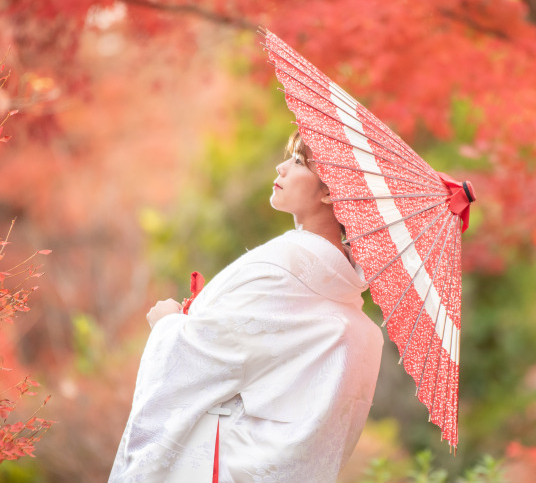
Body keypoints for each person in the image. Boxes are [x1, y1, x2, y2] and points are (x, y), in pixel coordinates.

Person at [110, 132, 384, 483]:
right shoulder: (350, 309)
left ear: (331, 191)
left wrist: (167, 325)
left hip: (213, 464)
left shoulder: (282, 267)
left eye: (298, 162)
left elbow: (204, 356)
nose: (281, 168)